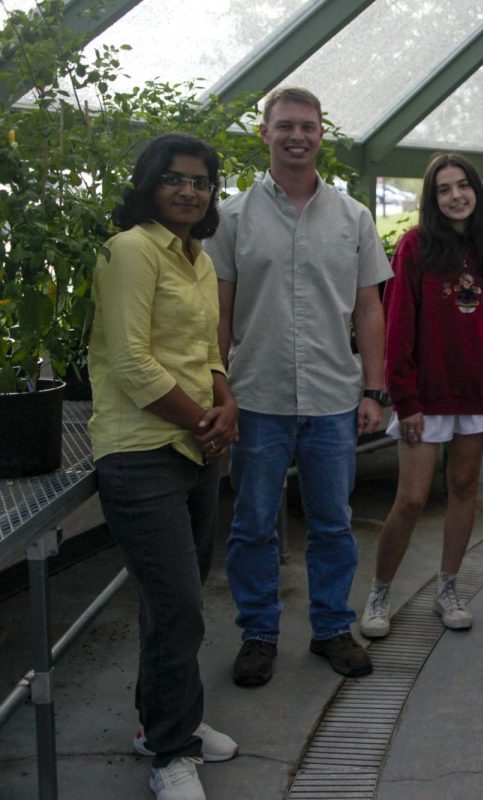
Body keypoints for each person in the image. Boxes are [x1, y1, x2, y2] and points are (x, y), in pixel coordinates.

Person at [209, 86, 391, 686]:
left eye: (308, 126)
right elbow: (220, 310)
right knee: (253, 524)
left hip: (333, 398)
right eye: (284, 125)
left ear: (321, 134)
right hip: (256, 396)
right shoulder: (233, 217)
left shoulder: (352, 217)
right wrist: (219, 388)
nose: (297, 136)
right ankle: (259, 633)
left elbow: (368, 308)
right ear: (264, 133)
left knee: (333, 521)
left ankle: (331, 628)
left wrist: (374, 389)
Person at [89, 133, 239, 800]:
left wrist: (225, 400)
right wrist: (204, 420)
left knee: (172, 602)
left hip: (195, 445)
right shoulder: (130, 250)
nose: (189, 191)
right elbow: (130, 360)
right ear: (150, 183)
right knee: (178, 605)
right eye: (176, 179)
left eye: (201, 182)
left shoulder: (196, 257)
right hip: (141, 450)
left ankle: (163, 726)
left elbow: (206, 346)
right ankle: (171, 754)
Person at [359, 154, 483, 636]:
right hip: (425, 400)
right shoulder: (414, 247)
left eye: (463, 185)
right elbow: (397, 329)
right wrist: (405, 401)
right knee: (410, 500)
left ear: (478, 190)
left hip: (477, 397)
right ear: (432, 200)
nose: (456, 196)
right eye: (444, 189)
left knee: (464, 489)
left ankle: (448, 588)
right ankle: (379, 592)